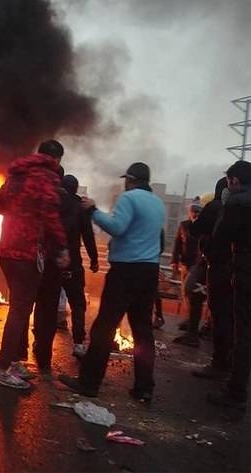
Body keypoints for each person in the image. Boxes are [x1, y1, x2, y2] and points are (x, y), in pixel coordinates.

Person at [59, 162, 165, 403]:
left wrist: (93, 210)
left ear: (130, 179)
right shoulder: (158, 204)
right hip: (149, 271)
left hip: (126, 271)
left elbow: (117, 227)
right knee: (143, 331)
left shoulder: (129, 198)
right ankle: (144, 387)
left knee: (104, 327)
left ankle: (89, 382)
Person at [0, 140, 70, 390]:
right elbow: (52, 216)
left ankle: (13, 361)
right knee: (21, 310)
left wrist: (19, 213)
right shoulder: (48, 177)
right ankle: (1, 368)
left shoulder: (16, 175)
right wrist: (63, 247)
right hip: (28, 252)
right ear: (57, 158)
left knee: (18, 307)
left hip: (8, 250)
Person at [207, 160, 251, 412]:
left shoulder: (238, 203)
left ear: (234, 181)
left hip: (245, 271)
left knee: (242, 333)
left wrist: (225, 205)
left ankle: (236, 393)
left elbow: (222, 236)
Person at [190, 177, 233, 379]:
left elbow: (195, 230)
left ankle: (219, 363)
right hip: (237, 269)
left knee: (219, 314)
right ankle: (230, 363)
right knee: (233, 317)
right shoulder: (240, 206)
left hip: (219, 266)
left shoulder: (217, 206)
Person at [59, 174, 99, 358]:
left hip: (53, 260)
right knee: (77, 303)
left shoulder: (53, 204)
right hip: (73, 262)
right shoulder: (80, 209)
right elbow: (89, 237)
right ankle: (78, 343)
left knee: (46, 302)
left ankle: (41, 346)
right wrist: (94, 259)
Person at [171, 203, 203, 330]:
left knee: (192, 293)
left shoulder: (203, 227)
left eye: (198, 211)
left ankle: (192, 323)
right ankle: (189, 319)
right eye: (194, 211)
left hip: (197, 265)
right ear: (189, 212)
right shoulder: (184, 225)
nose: (196, 214)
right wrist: (174, 260)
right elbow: (177, 243)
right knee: (185, 293)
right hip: (185, 263)